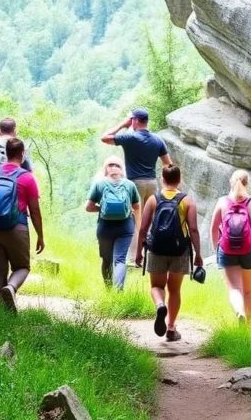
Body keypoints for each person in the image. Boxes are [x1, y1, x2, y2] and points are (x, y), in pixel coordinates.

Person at [0, 137, 44, 314]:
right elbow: (35, 211)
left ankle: (2, 315)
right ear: (22, 154)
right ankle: (11, 288)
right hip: (16, 228)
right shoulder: (27, 178)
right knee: (22, 267)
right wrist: (40, 236)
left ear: (6, 153)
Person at [134, 165, 202, 341]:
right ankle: (171, 328)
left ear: (162, 179)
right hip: (180, 251)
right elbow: (193, 229)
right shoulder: (187, 201)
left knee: (157, 287)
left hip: (156, 249)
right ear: (179, 180)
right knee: (175, 289)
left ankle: (160, 305)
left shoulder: (153, 199)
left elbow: (143, 227)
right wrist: (199, 255)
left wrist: (139, 252)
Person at [101, 109, 172, 260]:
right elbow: (168, 164)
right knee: (151, 220)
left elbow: (105, 138)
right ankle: (152, 255)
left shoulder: (130, 137)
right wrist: (164, 182)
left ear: (134, 120)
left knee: (134, 220)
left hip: (134, 184)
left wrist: (122, 124)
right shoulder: (158, 139)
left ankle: (134, 257)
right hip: (152, 184)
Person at [210, 169, 251, 324]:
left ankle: (239, 311)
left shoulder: (222, 202)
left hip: (227, 249)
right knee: (248, 291)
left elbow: (214, 228)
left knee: (234, 289)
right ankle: (248, 327)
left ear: (231, 182)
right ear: (247, 183)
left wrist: (218, 249)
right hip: (250, 249)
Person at [85, 156, 142, 291]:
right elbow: (137, 206)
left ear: (106, 169)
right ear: (122, 171)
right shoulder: (129, 185)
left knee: (106, 260)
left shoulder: (99, 184)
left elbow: (88, 207)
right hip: (125, 226)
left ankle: (109, 290)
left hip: (105, 227)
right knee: (120, 260)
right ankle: (118, 292)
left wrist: (102, 208)